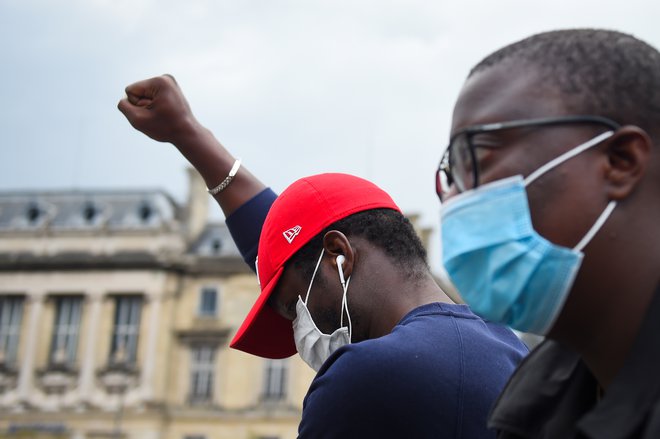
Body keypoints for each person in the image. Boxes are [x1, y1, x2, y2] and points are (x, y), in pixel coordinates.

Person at [118, 76, 528, 438]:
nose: (301, 333)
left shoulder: (363, 377)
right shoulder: (513, 354)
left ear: (339, 256)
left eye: (294, 307)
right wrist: (187, 132)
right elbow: (280, 244)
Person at [437, 28, 660, 438]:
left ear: (621, 159)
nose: (454, 200)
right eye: (451, 176)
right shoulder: (531, 402)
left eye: (479, 155)